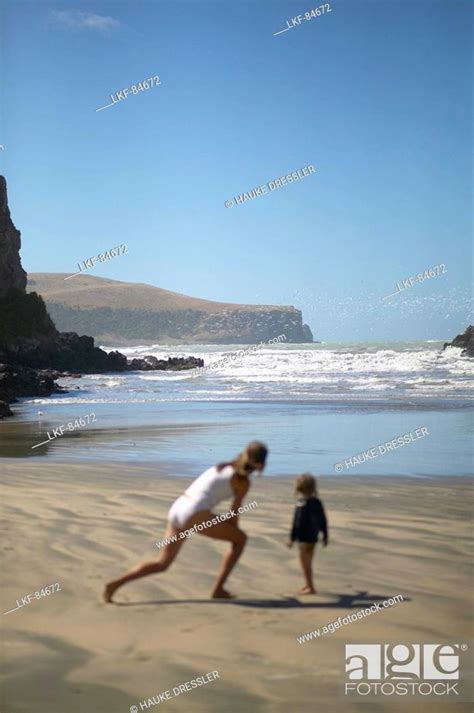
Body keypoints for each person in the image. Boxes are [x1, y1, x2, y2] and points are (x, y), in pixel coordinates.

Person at [103, 441, 268, 602]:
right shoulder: (243, 482)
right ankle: (218, 590)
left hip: (178, 508)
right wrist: (234, 536)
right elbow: (234, 513)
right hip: (194, 513)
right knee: (241, 540)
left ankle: (115, 584)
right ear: (260, 464)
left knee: (162, 563)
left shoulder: (221, 466)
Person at [287, 473, 328, 595]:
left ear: (298, 488)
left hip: (303, 538)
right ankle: (308, 585)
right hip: (314, 537)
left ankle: (310, 587)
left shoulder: (301, 503)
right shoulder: (317, 502)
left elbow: (297, 523)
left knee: (305, 564)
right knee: (309, 562)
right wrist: (325, 535)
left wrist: (292, 539)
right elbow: (323, 520)